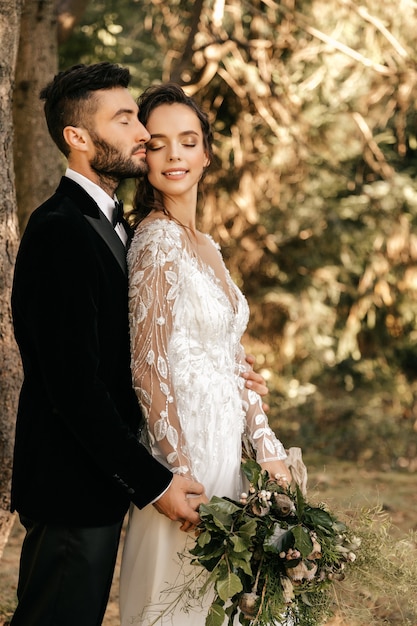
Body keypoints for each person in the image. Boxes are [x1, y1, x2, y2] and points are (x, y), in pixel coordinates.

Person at [9, 63, 208, 626]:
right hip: (70, 485)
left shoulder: (115, 224)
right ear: (78, 138)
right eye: (124, 119)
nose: (142, 133)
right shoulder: (59, 230)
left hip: (97, 481)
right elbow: (73, 386)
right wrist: (155, 484)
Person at [119, 83, 292, 625]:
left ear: (206, 153)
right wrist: (177, 474)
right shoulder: (153, 242)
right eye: (159, 142)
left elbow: (231, 356)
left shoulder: (206, 244)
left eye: (188, 141)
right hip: (187, 457)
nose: (174, 155)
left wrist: (267, 448)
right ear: (141, 155)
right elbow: (147, 366)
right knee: (184, 604)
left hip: (231, 453)